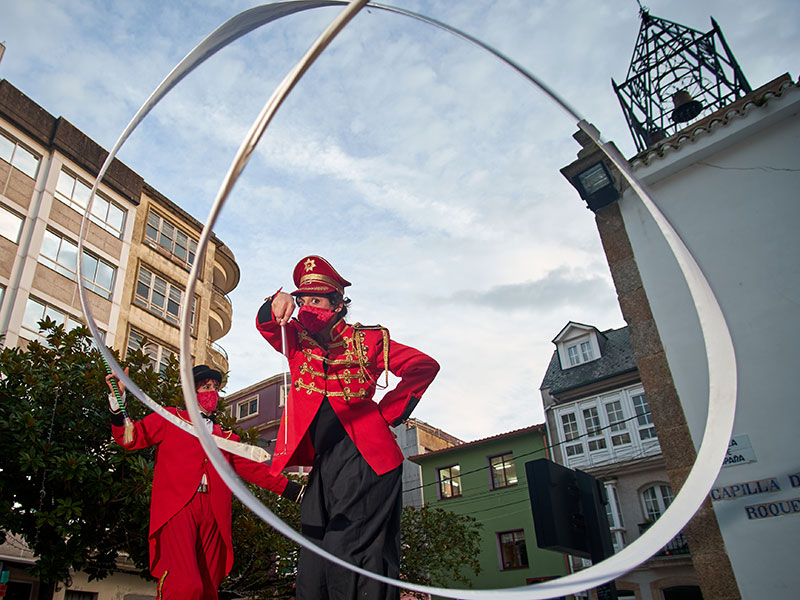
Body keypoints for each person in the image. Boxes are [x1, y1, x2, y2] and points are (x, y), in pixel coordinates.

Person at [256, 255, 440, 600]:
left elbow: (423, 366)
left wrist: (387, 413)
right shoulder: (295, 338)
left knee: (349, 546)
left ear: (338, 304)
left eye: (316, 299)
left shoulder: (369, 340)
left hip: (366, 454)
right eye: (302, 299)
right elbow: (267, 325)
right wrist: (274, 300)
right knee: (313, 548)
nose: (306, 306)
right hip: (325, 460)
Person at [107, 364, 303, 600]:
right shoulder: (169, 418)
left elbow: (256, 471)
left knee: (208, 588)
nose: (212, 392)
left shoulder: (227, 438)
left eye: (215, 387)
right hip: (179, 507)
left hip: (214, 512)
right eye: (205, 386)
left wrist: (295, 491)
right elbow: (129, 437)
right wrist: (118, 402)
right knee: (185, 587)